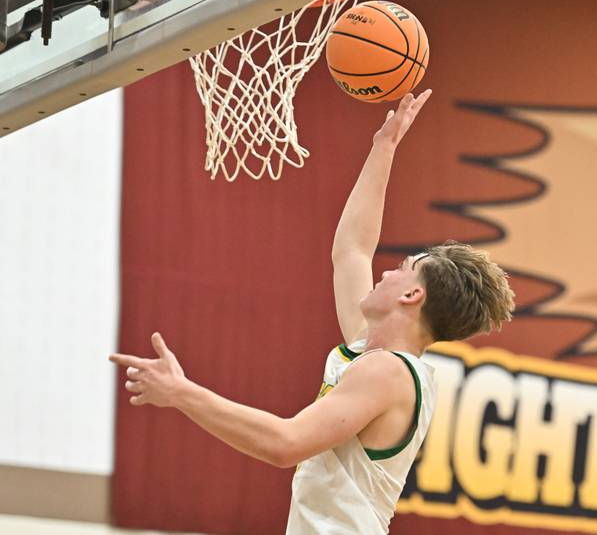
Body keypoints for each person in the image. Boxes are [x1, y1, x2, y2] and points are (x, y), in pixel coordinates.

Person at [109, 89, 515, 535]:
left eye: (403, 269)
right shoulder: (376, 353)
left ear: (411, 296)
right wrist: (385, 146)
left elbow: (286, 444)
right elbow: (352, 249)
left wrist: (181, 392)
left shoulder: (387, 373)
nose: (386, 272)